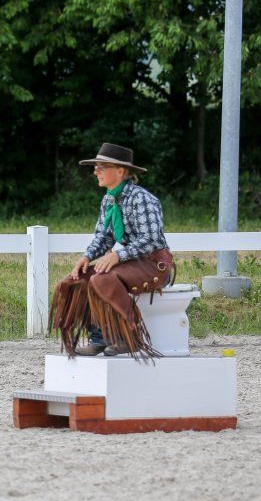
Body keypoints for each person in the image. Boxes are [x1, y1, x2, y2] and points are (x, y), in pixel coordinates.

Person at [50, 143, 175, 360]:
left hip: (154, 264)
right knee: (77, 280)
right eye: (96, 166)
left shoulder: (142, 199)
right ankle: (100, 338)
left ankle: (130, 336)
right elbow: (103, 236)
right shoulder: (109, 199)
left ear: (120, 171)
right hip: (132, 262)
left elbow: (152, 240)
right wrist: (87, 256)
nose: (95, 171)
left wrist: (117, 255)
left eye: (101, 166)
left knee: (102, 280)